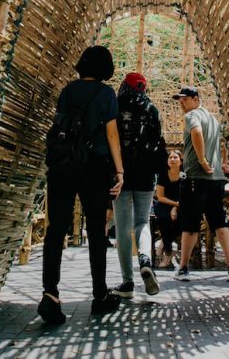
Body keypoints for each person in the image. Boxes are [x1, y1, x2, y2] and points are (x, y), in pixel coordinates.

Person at [38, 46, 126, 325]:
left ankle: (50, 294)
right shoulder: (106, 94)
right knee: (96, 230)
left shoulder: (67, 91)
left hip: (63, 166)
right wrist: (120, 170)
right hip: (94, 167)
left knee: (56, 229)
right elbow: (112, 133)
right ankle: (99, 294)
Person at [171, 86, 229, 282]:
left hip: (196, 177)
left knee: (191, 225)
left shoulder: (192, 116)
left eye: (184, 99)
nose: (181, 103)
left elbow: (195, 132)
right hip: (216, 180)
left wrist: (202, 160)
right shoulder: (213, 119)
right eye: (180, 100)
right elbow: (223, 141)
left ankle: (184, 268)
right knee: (219, 222)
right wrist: (222, 163)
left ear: (195, 99)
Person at [110, 72, 165, 298]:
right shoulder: (152, 109)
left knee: (122, 227)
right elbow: (157, 140)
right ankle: (145, 259)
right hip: (145, 175)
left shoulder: (115, 106)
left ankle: (127, 283)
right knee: (142, 222)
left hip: (119, 173)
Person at [154, 149, 183, 270]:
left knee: (182, 220)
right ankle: (168, 251)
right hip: (164, 203)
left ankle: (165, 243)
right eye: (170, 157)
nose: (172, 160)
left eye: (175, 157)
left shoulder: (184, 175)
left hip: (181, 204)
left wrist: (176, 207)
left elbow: (186, 195)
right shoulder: (163, 174)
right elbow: (160, 197)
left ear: (181, 161)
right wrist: (174, 204)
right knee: (164, 218)